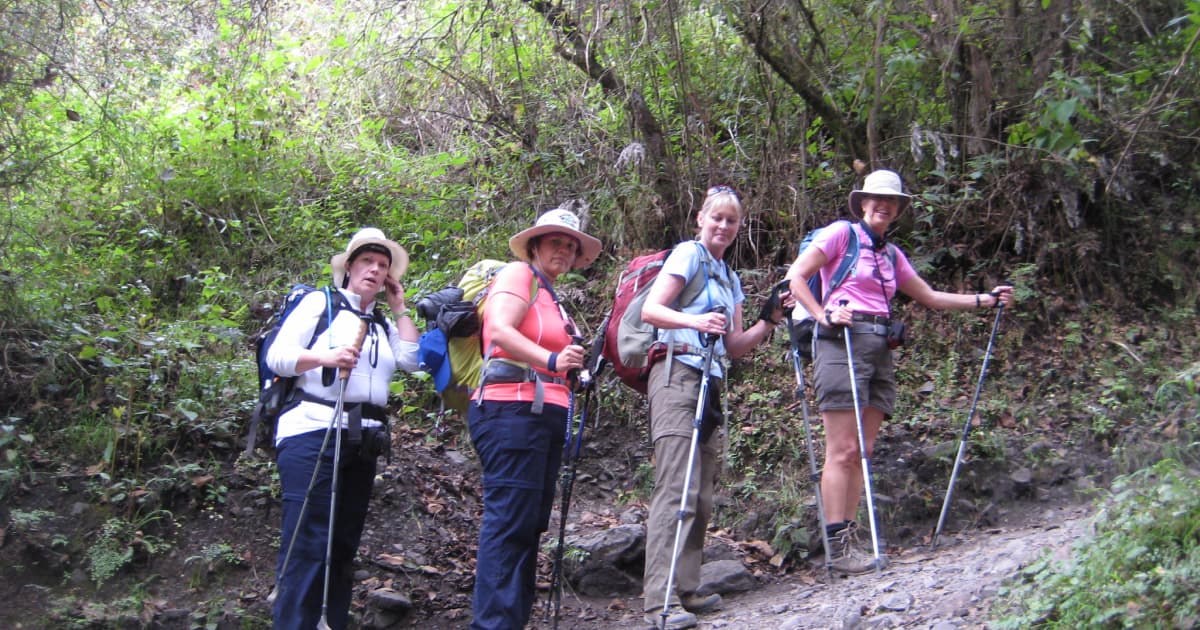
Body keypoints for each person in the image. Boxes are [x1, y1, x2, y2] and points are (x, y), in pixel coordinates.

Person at [785, 169, 1015, 574]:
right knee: (841, 449)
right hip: (841, 344)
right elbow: (796, 277)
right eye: (875, 198)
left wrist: (986, 300)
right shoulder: (842, 235)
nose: (882, 205)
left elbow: (929, 297)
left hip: (879, 350)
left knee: (862, 450)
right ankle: (838, 547)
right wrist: (823, 315)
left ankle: (852, 539)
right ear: (862, 203)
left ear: (898, 209)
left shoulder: (891, 255)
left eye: (890, 201)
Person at [640, 186, 789, 630]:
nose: (723, 226)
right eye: (716, 218)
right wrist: (694, 320)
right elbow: (652, 310)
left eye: (731, 220)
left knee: (701, 494)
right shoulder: (688, 255)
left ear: (739, 227)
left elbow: (735, 346)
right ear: (700, 219)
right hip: (675, 377)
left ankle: (686, 588)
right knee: (676, 489)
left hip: (711, 384)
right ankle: (659, 603)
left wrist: (770, 320)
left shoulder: (730, 277)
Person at [267, 227, 421, 629]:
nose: (374, 269)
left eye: (383, 265)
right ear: (349, 267)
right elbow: (279, 357)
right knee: (309, 542)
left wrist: (399, 306)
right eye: (367, 262)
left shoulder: (381, 323)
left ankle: (329, 622)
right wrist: (325, 357)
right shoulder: (322, 304)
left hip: (362, 441)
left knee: (342, 546)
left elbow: (411, 359)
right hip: (312, 431)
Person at [468, 206, 602, 630]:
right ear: (535, 246)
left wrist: (570, 370)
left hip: (540, 414)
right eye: (555, 241)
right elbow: (500, 330)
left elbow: (553, 360)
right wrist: (551, 357)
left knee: (527, 526)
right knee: (510, 523)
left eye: (570, 244)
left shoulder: (552, 295)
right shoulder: (516, 275)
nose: (563, 249)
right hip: (511, 411)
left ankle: (511, 621)